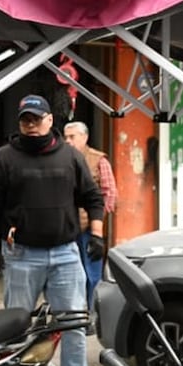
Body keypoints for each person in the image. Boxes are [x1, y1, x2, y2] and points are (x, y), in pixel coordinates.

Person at [0, 94, 105, 366]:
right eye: (26, 120)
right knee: (14, 327)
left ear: (51, 121)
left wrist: (99, 236)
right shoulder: (3, 159)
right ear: (20, 123)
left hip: (65, 254)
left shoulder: (70, 157)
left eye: (37, 119)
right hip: (22, 256)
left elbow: (92, 196)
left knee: (73, 323)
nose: (31, 125)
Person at [63, 121, 117, 314]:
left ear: (84, 138)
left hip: (88, 229)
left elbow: (109, 193)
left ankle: (93, 314)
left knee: (91, 273)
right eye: (65, 137)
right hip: (66, 226)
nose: (67, 141)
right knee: (69, 272)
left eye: (72, 137)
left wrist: (97, 220)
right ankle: (75, 312)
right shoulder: (61, 157)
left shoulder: (98, 160)